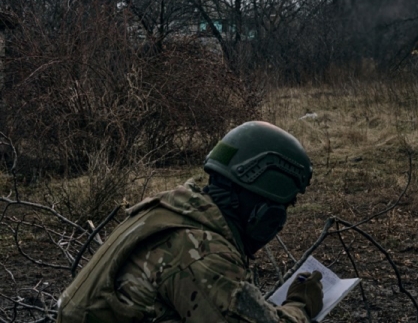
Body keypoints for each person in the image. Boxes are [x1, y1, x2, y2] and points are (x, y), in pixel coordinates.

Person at [57, 121, 323, 323]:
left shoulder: (172, 209)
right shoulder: (201, 251)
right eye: (282, 209)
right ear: (263, 211)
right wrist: (300, 305)